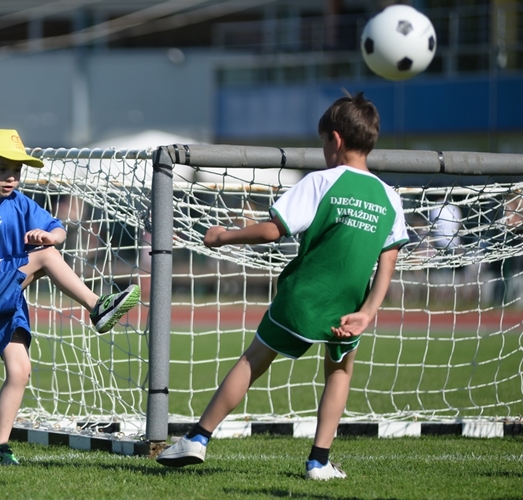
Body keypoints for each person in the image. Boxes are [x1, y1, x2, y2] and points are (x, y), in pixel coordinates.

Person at [156, 91, 408, 480]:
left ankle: (197, 438)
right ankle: (318, 461)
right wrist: (368, 312)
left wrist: (225, 236)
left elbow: (274, 230)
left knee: (253, 359)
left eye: (323, 142)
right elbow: (388, 260)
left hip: (303, 297)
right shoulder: (390, 198)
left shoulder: (323, 181)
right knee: (339, 373)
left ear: (335, 140)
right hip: (351, 306)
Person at [0, 129, 141, 466]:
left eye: (17, 171)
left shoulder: (21, 204)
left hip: (5, 295)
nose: (11, 178)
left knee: (20, 371)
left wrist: (49, 235)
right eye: (2, 169)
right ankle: (97, 307)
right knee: (47, 257)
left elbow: (59, 230)